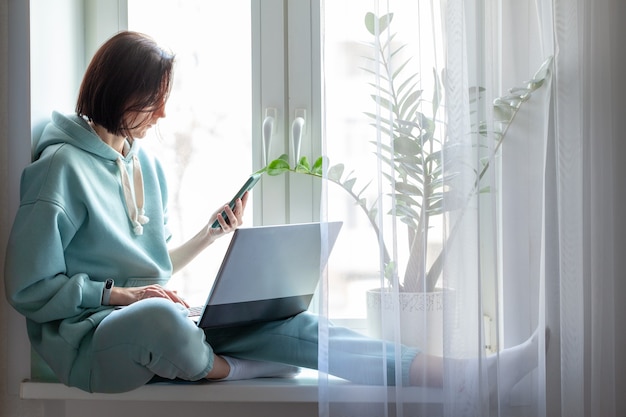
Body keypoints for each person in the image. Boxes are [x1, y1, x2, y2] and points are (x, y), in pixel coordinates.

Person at [4, 31, 539, 395]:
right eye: (153, 97)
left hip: (156, 321)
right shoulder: (59, 170)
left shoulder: (146, 168)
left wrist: (212, 235)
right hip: (91, 340)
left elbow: (154, 270)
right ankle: (231, 367)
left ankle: (465, 376)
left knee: (291, 320)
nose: (163, 111)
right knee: (162, 317)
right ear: (119, 91)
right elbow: (28, 288)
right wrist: (118, 295)